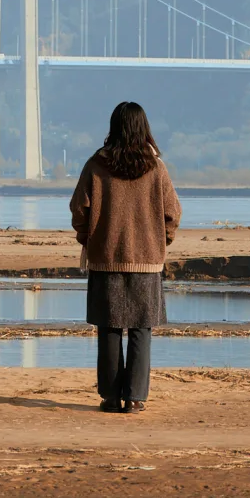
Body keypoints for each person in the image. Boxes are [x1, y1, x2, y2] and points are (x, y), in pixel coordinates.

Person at [69, 102, 181, 414]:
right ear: (144, 127)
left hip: (105, 261)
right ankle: (134, 399)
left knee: (109, 329)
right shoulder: (157, 168)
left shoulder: (96, 165)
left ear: (114, 127)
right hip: (147, 261)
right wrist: (161, 240)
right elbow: (172, 213)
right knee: (141, 330)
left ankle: (109, 397)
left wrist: (88, 239)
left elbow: (79, 209)